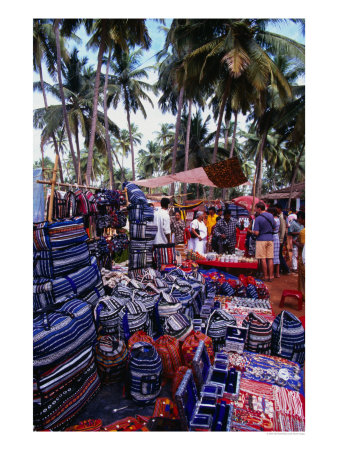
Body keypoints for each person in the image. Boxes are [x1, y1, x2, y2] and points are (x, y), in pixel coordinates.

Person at [252, 202, 276, 282]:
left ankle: (265, 276)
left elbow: (256, 233)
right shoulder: (271, 215)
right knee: (270, 258)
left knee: (263, 259)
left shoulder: (258, 218)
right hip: (270, 238)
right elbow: (274, 228)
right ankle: (271, 276)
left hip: (261, 239)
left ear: (259, 208)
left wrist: (252, 232)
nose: (255, 210)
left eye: (255, 208)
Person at [276, 203, 290, 274]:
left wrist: (281, 239)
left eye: (276, 208)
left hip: (281, 238)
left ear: (279, 209)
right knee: (279, 254)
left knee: (279, 254)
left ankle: (286, 269)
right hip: (281, 237)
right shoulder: (280, 216)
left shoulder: (281, 217)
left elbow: (283, 229)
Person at [294, 211, 305, 299]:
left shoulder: (303, 232)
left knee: (303, 277)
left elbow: (302, 244)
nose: (298, 220)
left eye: (299, 218)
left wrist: (295, 242)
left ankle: (303, 295)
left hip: (303, 257)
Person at [268, 207, 280, 278]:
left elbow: (272, 228)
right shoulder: (277, 219)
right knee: (276, 256)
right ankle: (277, 273)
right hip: (276, 237)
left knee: (271, 256)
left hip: (273, 237)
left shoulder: (273, 220)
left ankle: (271, 273)